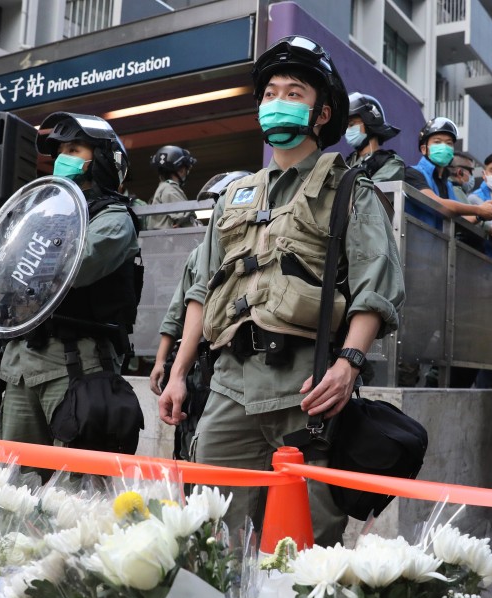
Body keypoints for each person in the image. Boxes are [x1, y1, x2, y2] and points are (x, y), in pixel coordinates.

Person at [158, 35, 405, 546]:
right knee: (215, 540)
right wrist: (179, 374)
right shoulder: (233, 195)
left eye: (294, 92)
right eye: (270, 92)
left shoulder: (349, 188)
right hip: (228, 387)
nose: (277, 103)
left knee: (303, 551)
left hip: (307, 390)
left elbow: (374, 284)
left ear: (322, 113)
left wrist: (349, 363)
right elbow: (203, 289)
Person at [0, 112, 141, 464]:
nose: (63, 157)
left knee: (73, 490)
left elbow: (72, 269)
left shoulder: (113, 219)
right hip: (20, 365)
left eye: (74, 149)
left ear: (103, 160)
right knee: (14, 484)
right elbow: (3, 271)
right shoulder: (39, 216)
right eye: (60, 150)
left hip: (75, 365)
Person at [149, 171, 250, 458]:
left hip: (239, 362)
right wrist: (161, 363)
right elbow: (179, 310)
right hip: (201, 362)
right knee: (191, 442)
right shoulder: (199, 255)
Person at [344, 92, 405, 181]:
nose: (347, 130)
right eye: (346, 126)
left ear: (370, 122)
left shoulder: (391, 164)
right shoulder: (346, 164)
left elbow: (366, 192)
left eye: (351, 124)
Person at [147, 145, 198, 230]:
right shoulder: (169, 189)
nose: (186, 172)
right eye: (186, 168)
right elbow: (188, 223)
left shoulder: (162, 189)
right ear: (181, 169)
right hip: (171, 242)